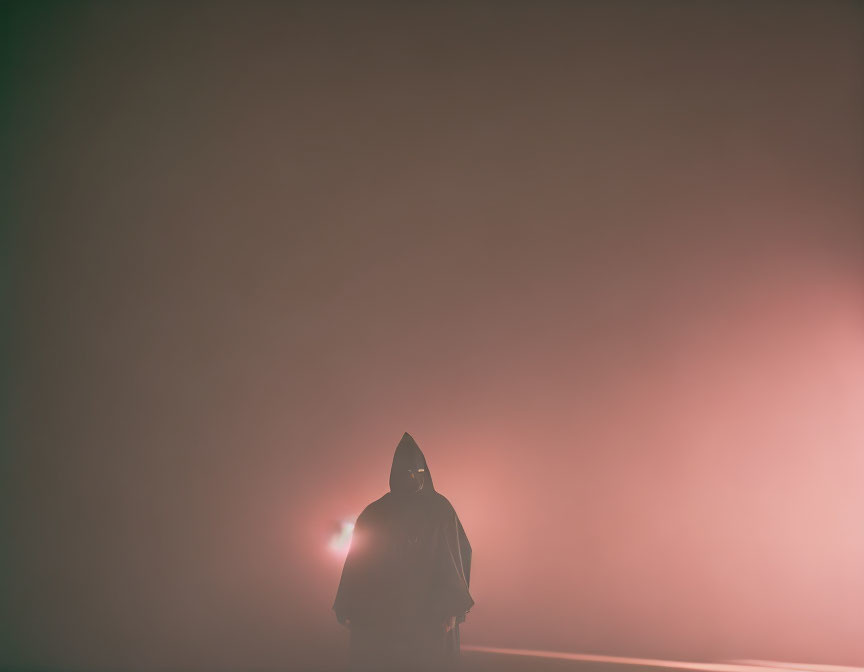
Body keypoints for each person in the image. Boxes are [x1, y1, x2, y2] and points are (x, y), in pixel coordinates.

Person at [333, 432, 474, 671]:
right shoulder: (376, 513)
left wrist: (450, 608)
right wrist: (351, 605)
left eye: (416, 473)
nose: (411, 478)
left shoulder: (439, 510)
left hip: (428, 614)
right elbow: (358, 562)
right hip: (385, 614)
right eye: (405, 473)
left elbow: (456, 556)